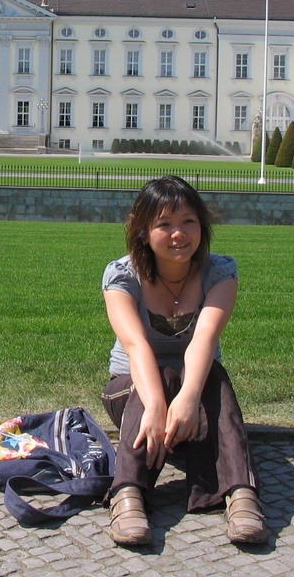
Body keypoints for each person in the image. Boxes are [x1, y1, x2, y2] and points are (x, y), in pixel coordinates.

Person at [100, 176, 267, 547]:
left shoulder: (218, 271)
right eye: (164, 224)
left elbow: (203, 340)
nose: (179, 234)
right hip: (133, 395)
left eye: (188, 222)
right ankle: (128, 495)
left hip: (198, 397)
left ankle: (241, 495)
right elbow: (136, 345)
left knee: (214, 377)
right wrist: (158, 404)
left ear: (202, 226)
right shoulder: (122, 276)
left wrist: (188, 399)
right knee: (159, 375)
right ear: (143, 232)